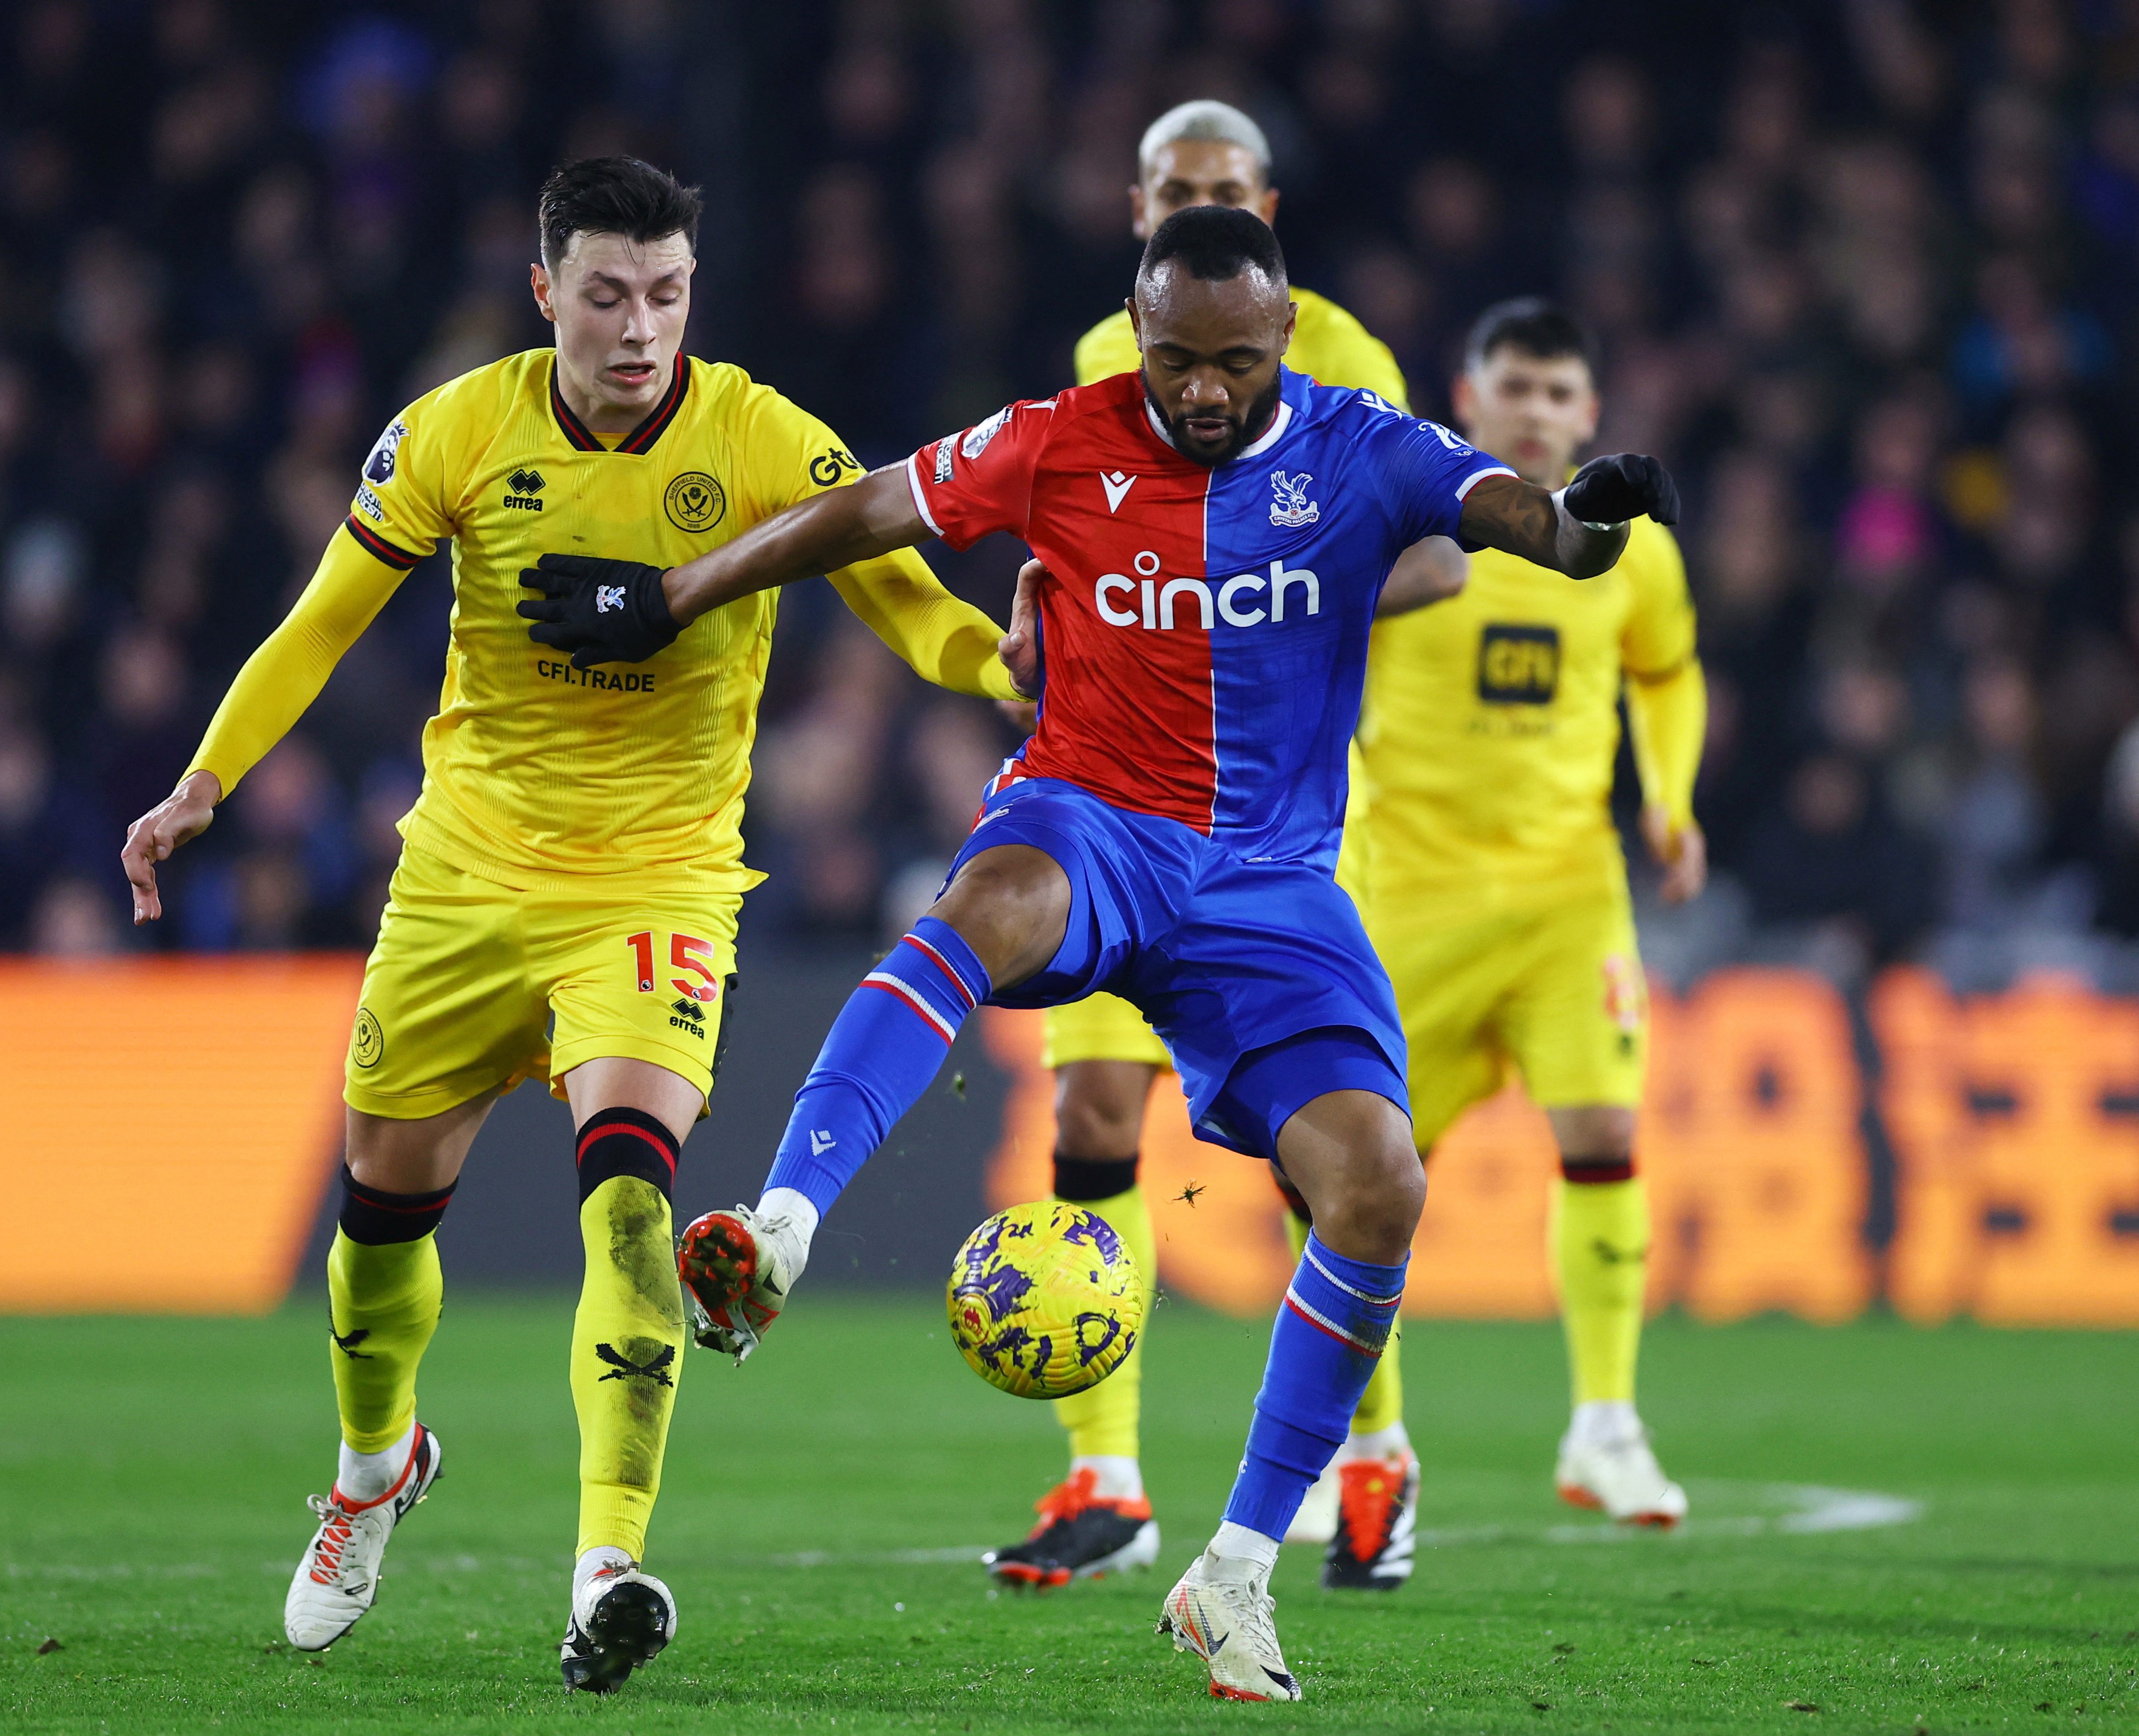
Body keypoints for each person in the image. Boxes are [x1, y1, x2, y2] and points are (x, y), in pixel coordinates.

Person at [522, 205, 1678, 1701]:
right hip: (1094, 821)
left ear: (1283, 339)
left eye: (1234, 362)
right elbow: (868, 512)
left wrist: (1594, 516)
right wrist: (674, 594)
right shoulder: (1058, 439)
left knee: (1379, 1185)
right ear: (1136, 332)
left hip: (1269, 884)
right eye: (1174, 358)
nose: (1201, 390)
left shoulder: (1362, 447)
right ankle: (783, 1228)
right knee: (979, 908)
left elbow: (1537, 532)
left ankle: (1233, 1573)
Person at [117, 157, 1021, 1695]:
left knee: (630, 1206)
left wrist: (1007, 668)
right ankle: (372, 1469)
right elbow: (321, 619)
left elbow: (910, 605)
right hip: (463, 874)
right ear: (545, 293)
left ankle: (608, 1564)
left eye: (666, 294)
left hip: (656, 885)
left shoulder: (760, 437)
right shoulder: (458, 430)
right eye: (606, 295)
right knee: (378, 1227)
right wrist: (205, 781)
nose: (639, 328)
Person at [1000, 97, 1463, 1596]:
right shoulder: (1103, 353)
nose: (1189, 202)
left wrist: (1269, 591)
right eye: (1166, 187)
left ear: (1266, 209)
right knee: (1087, 1113)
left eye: (1219, 185)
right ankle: (1105, 1475)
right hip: (1113, 802)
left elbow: (1438, 556)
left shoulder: (1342, 354)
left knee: (1313, 1153)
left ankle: (1372, 1456)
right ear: (1135, 211)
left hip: (1273, 818)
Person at [1358, 299, 1707, 1528]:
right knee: (1352, 1172)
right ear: (1466, 397)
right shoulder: (1409, 526)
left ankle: (1605, 1425)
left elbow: (1665, 674)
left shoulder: (1632, 550)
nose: (1536, 411)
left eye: (1559, 393)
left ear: (1590, 413)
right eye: (1514, 386)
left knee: (1603, 1127)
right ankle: (1364, 1440)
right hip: (1406, 898)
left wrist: (1669, 799)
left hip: (1567, 896)